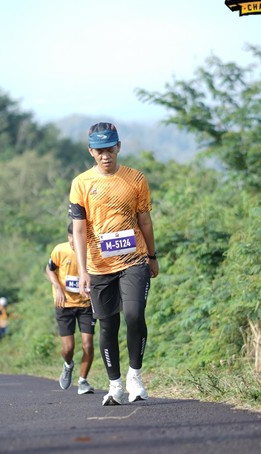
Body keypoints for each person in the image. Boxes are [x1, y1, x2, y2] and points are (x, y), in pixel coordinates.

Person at [68, 122, 159, 406]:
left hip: (135, 259)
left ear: (118, 147)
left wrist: (152, 256)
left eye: (110, 149)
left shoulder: (135, 178)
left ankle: (135, 377)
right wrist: (82, 270)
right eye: (99, 151)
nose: (105, 156)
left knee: (134, 314)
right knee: (107, 325)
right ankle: (115, 385)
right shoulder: (81, 183)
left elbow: (145, 221)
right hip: (98, 266)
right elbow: (79, 229)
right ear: (91, 151)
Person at [46, 223, 95, 395]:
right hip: (64, 304)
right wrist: (58, 288)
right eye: (71, 237)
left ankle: (83, 381)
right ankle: (68, 365)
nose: (74, 241)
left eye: (78, 237)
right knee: (68, 349)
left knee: (88, 345)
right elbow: (49, 269)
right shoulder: (60, 250)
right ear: (68, 237)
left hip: (86, 304)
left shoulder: (92, 251)